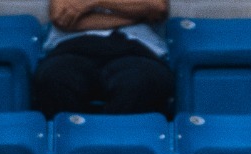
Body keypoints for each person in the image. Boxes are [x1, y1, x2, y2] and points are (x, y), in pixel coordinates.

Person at [31, 0, 173, 117]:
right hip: (73, 46)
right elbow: (61, 18)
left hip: (135, 48)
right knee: (55, 77)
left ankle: (116, 141)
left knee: (142, 81)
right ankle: (75, 140)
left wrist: (93, 2)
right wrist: (135, 16)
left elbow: (157, 7)